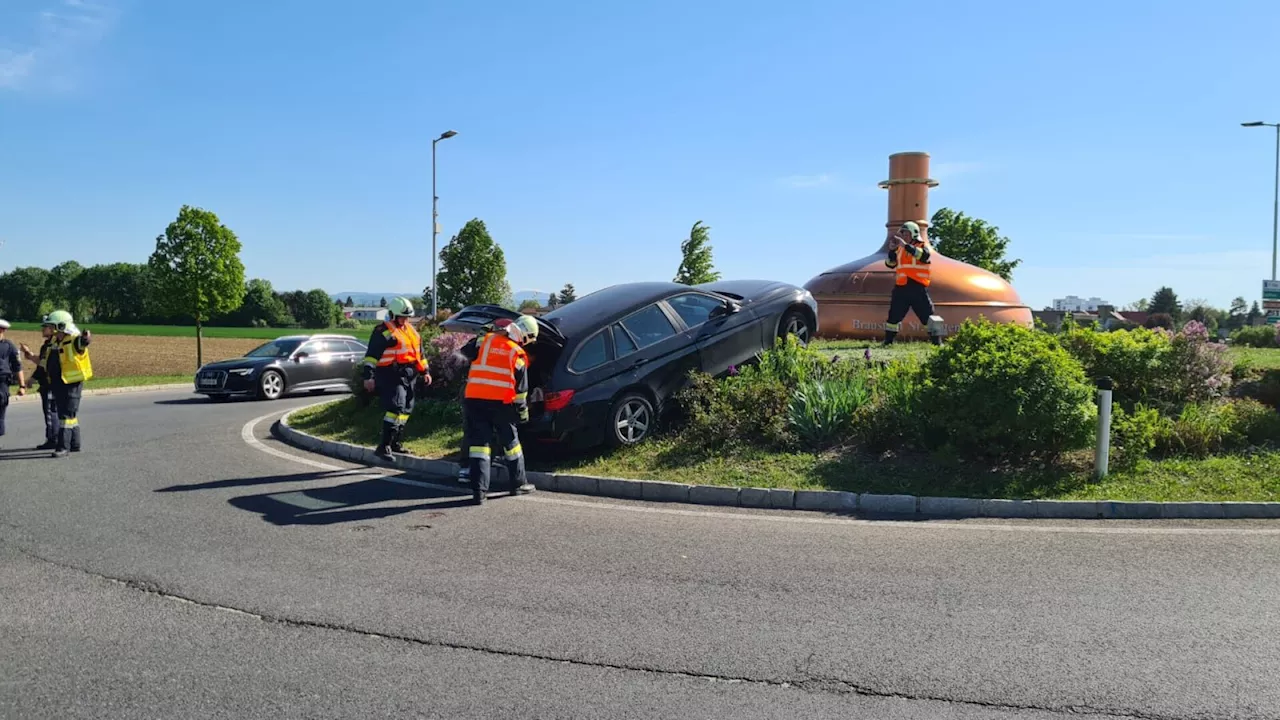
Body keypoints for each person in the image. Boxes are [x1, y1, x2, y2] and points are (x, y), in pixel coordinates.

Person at [459, 314, 538, 505]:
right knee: (511, 444)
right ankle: (518, 484)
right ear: (525, 336)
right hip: (501, 404)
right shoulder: (516, 353)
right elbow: (521, 390)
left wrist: (480, 337)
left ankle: (479, 493)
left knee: (479, 447)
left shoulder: (484, 341)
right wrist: (522, 411)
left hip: (475, 400)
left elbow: (464, 353)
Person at [360, 296, 431, 462]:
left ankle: (395, 442)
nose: (405, 319)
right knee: (395, 407)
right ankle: (383, 446)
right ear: (392, 315)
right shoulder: (382, 331)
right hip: (390, 374)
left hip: (409, 375)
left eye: (407, 317)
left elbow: (419, 354)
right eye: (402, 316)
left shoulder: (411, 331)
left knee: (406, 410)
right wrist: (368, 377)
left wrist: (425, 371)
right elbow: (371, 356)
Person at [882, 220, 946, 346]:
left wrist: (905, 245)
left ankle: (937, 342)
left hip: (917, 288)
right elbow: (890, 264)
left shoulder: (922, 247)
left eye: (907, 234)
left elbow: (922, 256)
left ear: (914, 234)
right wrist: (891, 251)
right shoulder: (900, 249)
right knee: (893, 316)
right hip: (901, 288)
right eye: (903, 234)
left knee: (928, 316)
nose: (904, 236)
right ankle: (888, 342)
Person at [43, 310, 92, 457]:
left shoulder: (74, 339)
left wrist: (86, 339)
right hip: (59, 382)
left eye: (52, 326)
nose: (49, 329)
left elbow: (83, 343)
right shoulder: (55, 341)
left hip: (72, 383)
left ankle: (63, 447)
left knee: (65, 416)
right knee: (70, 415)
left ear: (61, 326)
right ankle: (75, 444)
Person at [19, 319, 58, 450]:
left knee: (50, 412)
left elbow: (43, 365)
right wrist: (29, 355)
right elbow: (42, 363)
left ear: (52, 329)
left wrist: (32, 379)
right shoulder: (50, 344)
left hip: (49, 384)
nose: (42, 329)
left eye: (45, 327)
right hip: (52, 383)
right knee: (54, 411)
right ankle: (54, 438)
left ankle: (53, 439)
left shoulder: (50, 346)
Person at [0, 319, 28, 449]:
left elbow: (17, 366)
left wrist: (22, 386)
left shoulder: (9, 346)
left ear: (3, 330)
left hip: (2, 383)